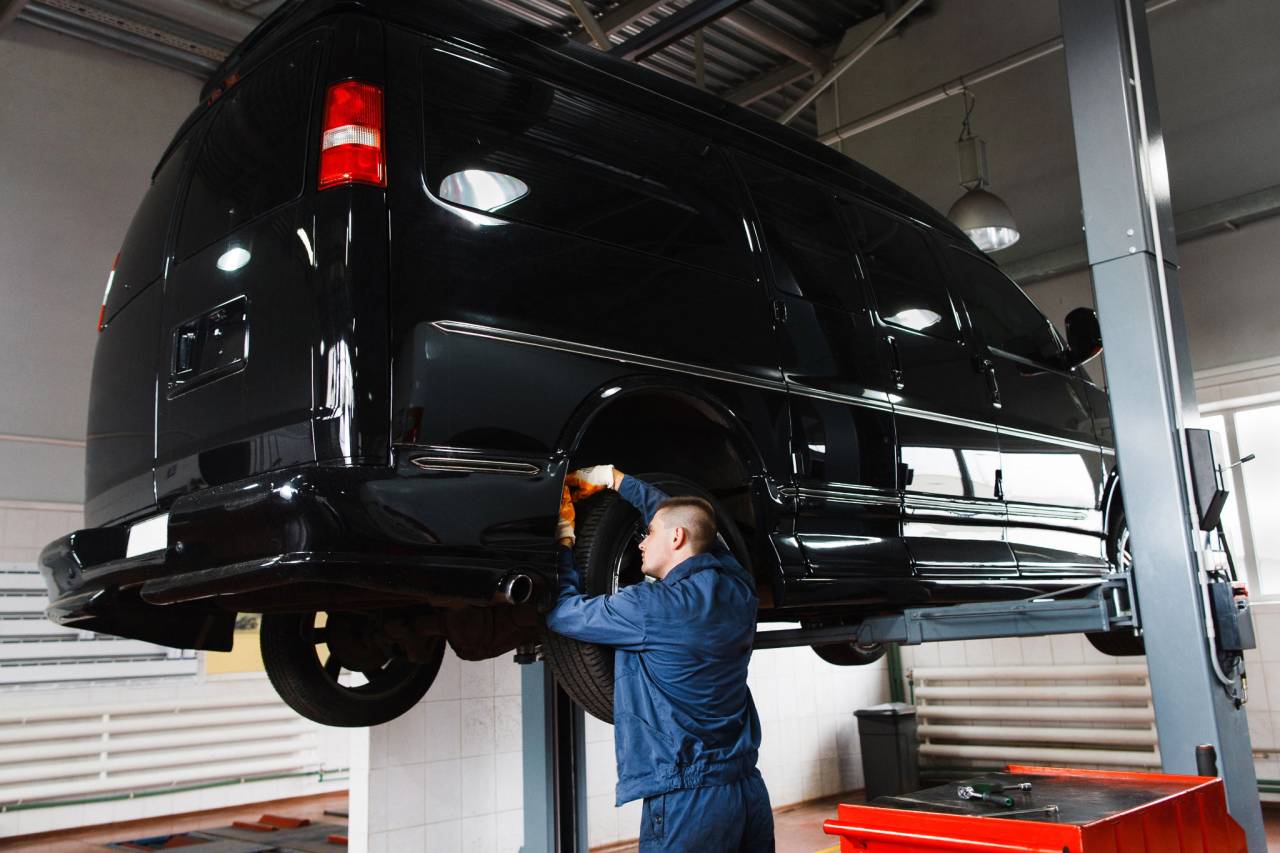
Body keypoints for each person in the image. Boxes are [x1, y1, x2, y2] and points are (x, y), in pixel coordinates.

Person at [545, 465, 774, 852]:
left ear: (676, 538)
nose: (640, 543)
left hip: (690, 799)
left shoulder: (650, 606)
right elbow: (697, 529)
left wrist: (564, 540)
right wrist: (616, 480)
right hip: (746, 788)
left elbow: (562, 613)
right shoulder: (739, 589)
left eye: (648, 534)